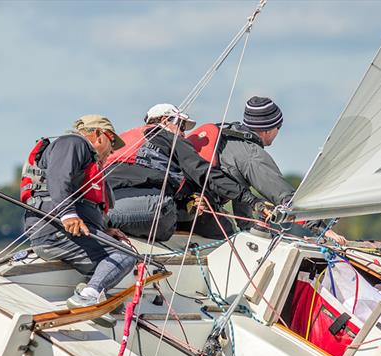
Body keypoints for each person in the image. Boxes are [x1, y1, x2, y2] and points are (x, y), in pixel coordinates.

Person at [188, 96, 348, 245]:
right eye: (279, 126)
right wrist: (323, 230)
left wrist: (247, 227)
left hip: (181, 208)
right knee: (229, 234)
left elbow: (238, 192)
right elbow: (284, 198)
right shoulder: (252, 155)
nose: (278, 131)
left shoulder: (225, 137)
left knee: (237, 233)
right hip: (195, 215)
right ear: (267, 130)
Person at [22, 114, 137, 309]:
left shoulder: (83, 154)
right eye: (111, 144)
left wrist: (103, 230)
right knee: (125, 254)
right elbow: (59, 178)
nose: (111, 152)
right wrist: (68, 215)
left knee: (113, 257)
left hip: (62, 233)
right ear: (99, 135)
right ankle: (87, 297)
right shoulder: (74, 143)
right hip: (56, 231)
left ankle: (92, 294)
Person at [104, 104, 228, 242]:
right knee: (166, 211)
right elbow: (201, 174)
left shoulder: (127, 142)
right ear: (165, 120)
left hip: (109, 201)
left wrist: (190, 206)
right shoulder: (166, 142)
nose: (183, 134)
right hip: (146, 209)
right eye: (181, 127)